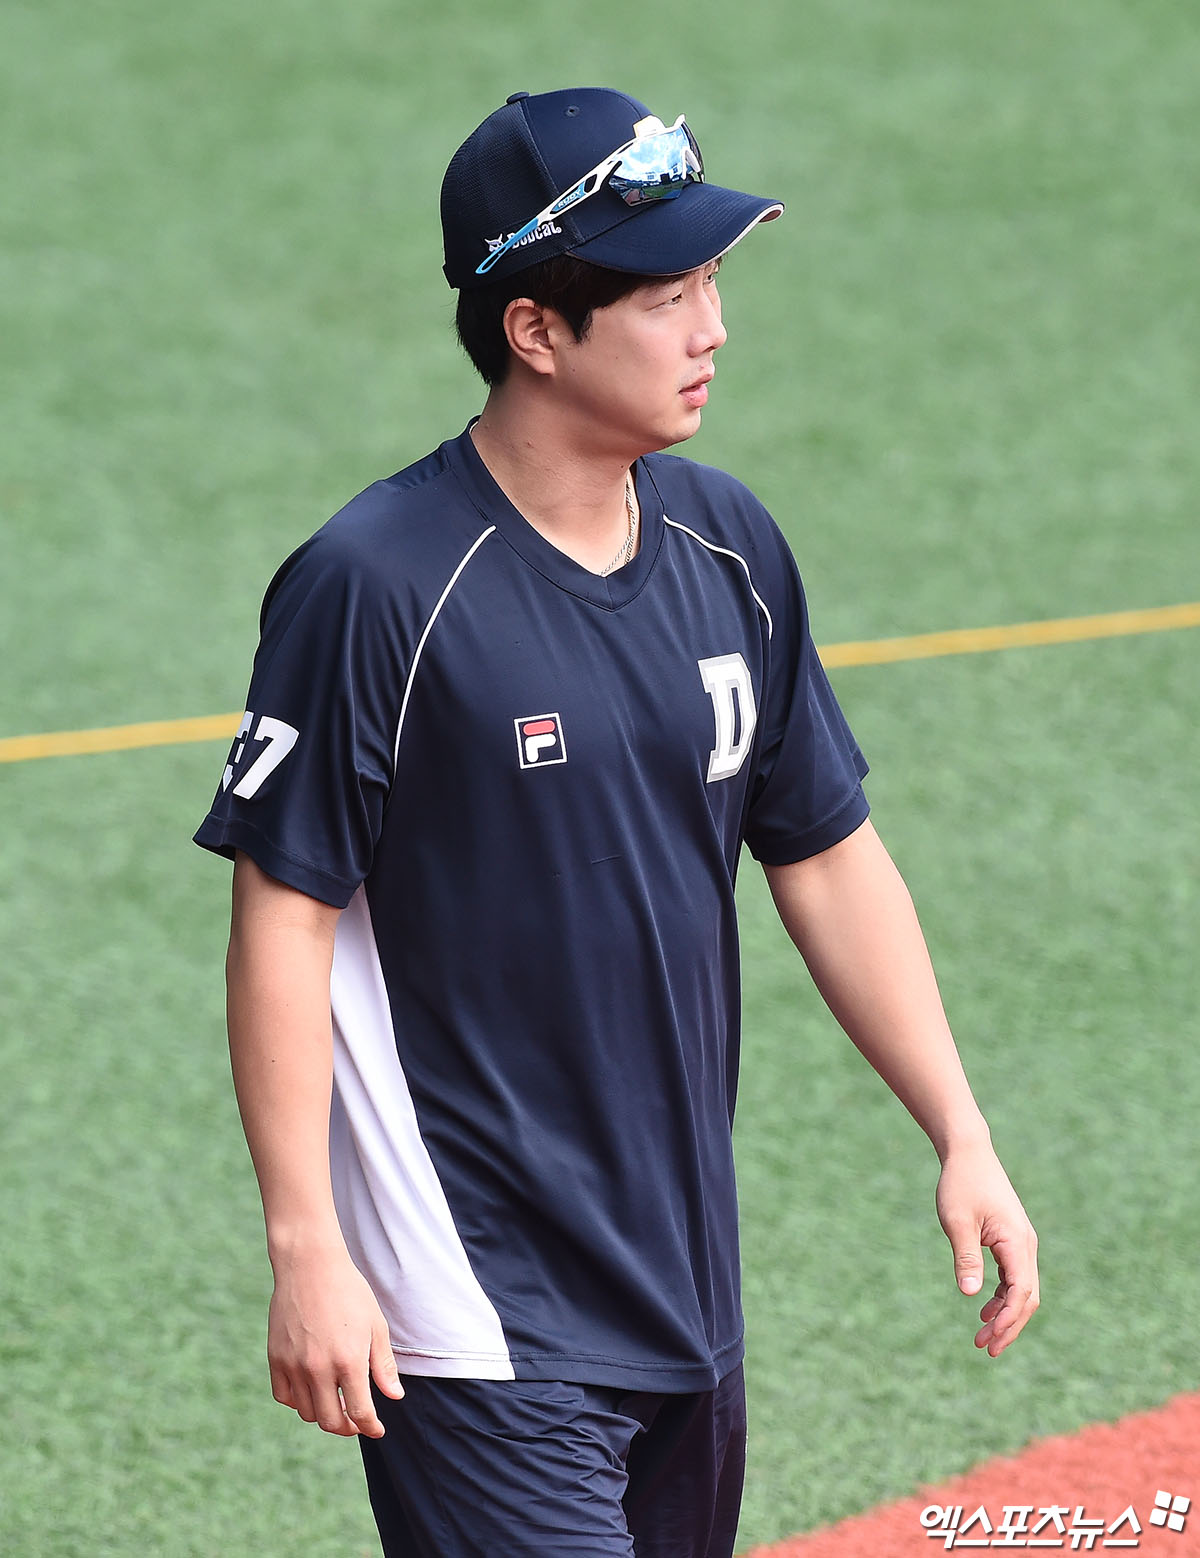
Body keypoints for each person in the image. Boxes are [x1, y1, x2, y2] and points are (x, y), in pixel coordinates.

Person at [195, 86, 1039, 1558]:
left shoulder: (731, 547)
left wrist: (961, 1130)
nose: (714, 327)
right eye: (666, 295)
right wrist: (305, 1244)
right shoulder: (377, 585)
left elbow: (826, 853)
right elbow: (283, 909)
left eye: (710, 281)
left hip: (684, 1289)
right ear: (536, 329)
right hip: (473, 1303)